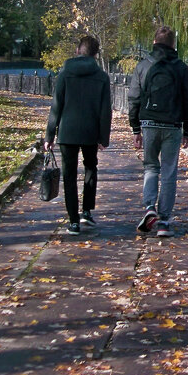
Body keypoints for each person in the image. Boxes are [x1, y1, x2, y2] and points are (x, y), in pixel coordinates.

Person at [128, 25, 188, 238]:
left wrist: (135, 128)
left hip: (148, 123)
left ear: (154, 43)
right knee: (168, 171)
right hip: (173, 126)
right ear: (173, 45)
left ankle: (150, 207)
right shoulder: (182, 68)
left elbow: (134, 99)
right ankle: (164, 221)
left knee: (150, 167)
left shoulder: (143, 66)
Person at [45, 35, 112, 235]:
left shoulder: (65, 74)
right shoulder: (101, 77)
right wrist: (103, 137)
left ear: (77, 51)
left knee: (69, 175)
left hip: (67, 132)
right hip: (91, 132)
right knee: (91, 168)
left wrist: (49, 136)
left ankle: (73, 221)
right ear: (95, 54)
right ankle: (86, 211)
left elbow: (56, 106)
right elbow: (105, 110)